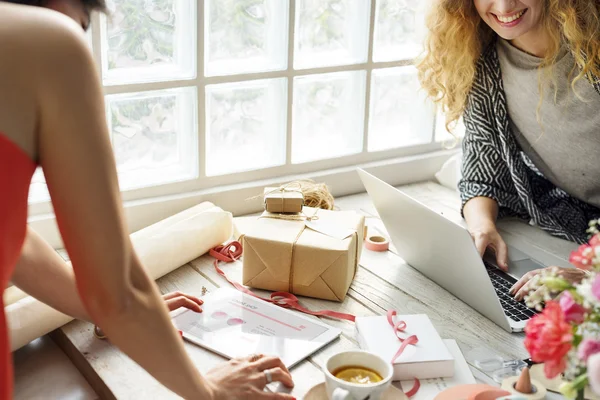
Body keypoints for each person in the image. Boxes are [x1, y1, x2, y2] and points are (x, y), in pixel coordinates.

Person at [0, 1, 295, 399]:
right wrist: (211, 393)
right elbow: (118, 292)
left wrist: (94, 304)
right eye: (84, 24)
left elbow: (8, 237)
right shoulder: (50, 41)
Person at [417, 0, 600, 299]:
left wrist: (589, 278)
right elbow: (482, 167)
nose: (503, 6)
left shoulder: (592, 46)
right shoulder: (485, 60)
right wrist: (481, 227)